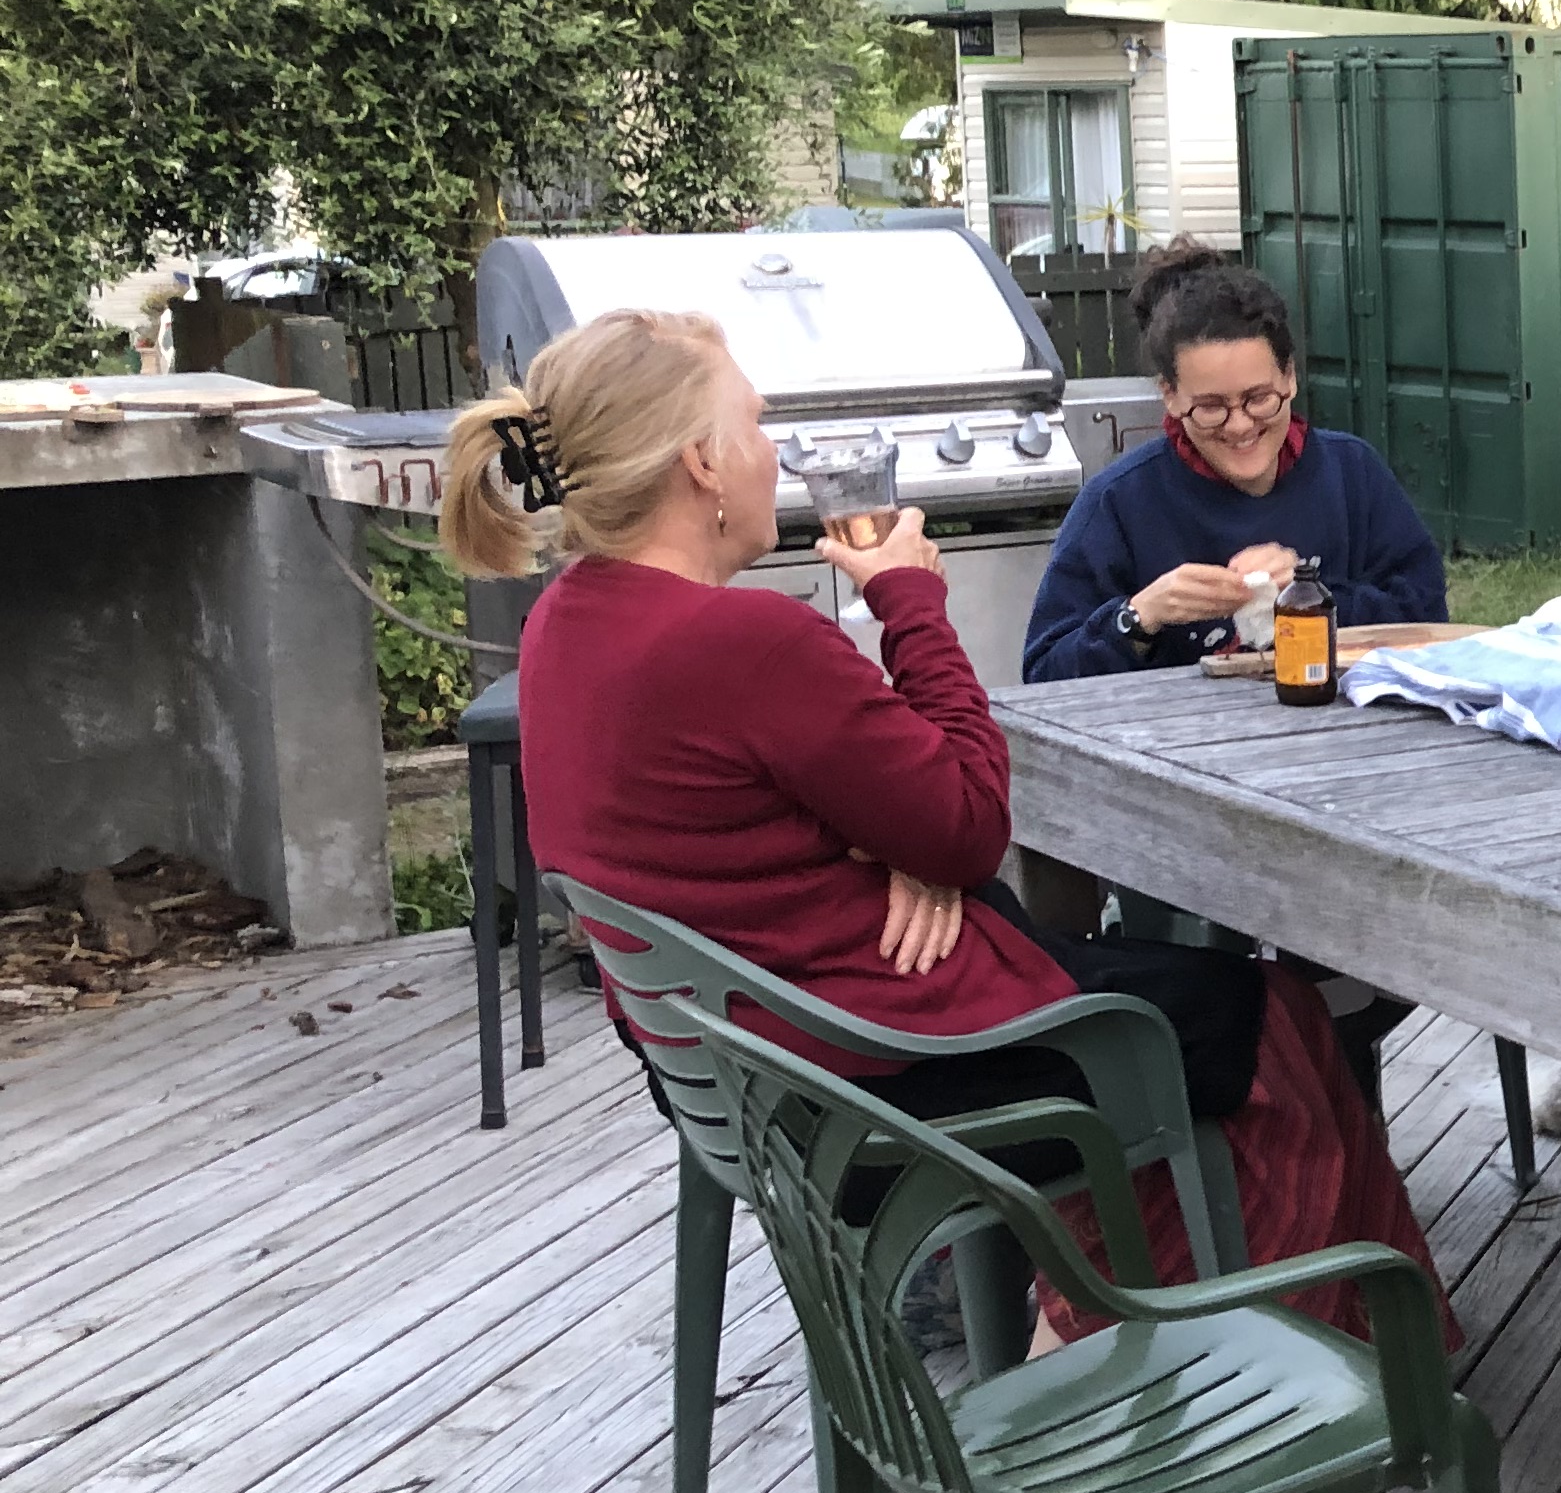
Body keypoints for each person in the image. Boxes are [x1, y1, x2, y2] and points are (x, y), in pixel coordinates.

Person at [441, 305, 1446, 1345]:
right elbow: (968, 821)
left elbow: (772, 806)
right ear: (703, 461)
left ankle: (1109, 1324)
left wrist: (904, 849)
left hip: (752, 1077)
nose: (774, 452)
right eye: (757, 423)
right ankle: (1267, 1360)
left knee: (1198, 1002)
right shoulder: (744, 640)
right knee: (1269, 1020)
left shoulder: (566, 623)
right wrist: (910, 603)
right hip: (884, 1077)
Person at [1022, 243, 1445, 684]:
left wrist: (1307, 597)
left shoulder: (1352, 474)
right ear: (1170, 395)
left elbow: (1428, 619)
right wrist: (1140, 616)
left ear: (1290, 377)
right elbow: (1043, 676)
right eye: (1211, 407)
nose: (1240, 425)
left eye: (1258, 398)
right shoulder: (1117, 504)